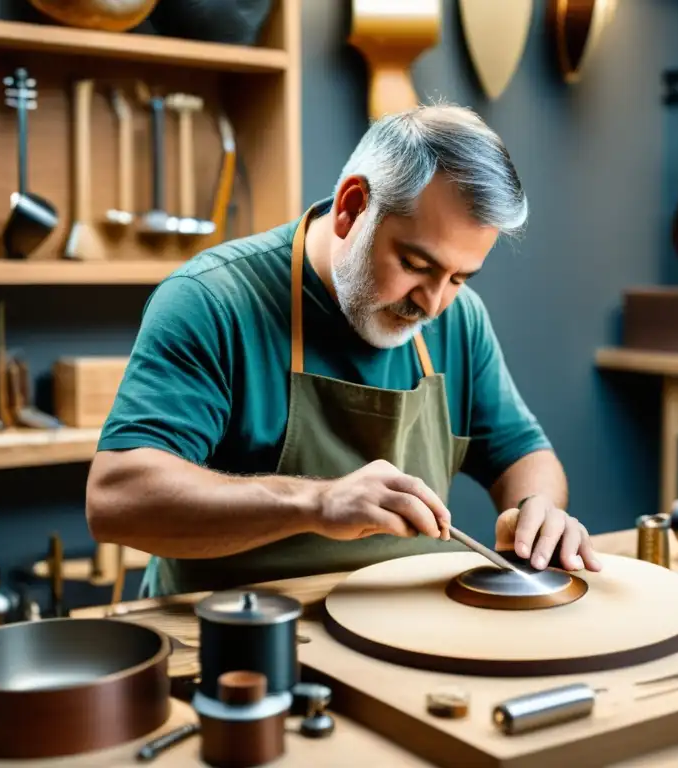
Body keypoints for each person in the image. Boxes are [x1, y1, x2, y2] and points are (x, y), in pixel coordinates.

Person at [85, 104, 602, 598]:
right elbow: (118, 498)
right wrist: (316, 501)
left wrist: (538, 510)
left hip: (405, 629)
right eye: (417, 265)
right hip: (235, 635)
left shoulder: (460, 320)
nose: (433, 303)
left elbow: (524, 455)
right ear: (352, 208)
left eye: (460, 278)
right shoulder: (212, 300)